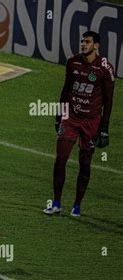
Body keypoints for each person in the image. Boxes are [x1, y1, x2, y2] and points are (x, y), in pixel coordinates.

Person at [44, 31, 115, 217]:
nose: (83, 44)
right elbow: (66, 90)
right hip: (71, 118)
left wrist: (104, 128)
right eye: (82, 41)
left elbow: (109, 101)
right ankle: (56, 203)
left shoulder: (105, 68)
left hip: (91, 123)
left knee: (85, 164)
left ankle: (77, 204)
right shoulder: (73, 62)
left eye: (87, 42)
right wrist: (59, 116)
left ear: (96, 45)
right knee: (60, 160)